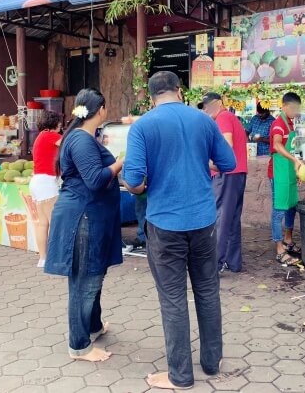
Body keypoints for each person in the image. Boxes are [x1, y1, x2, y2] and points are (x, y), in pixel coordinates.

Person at [123, 71, 236, 390]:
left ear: (151, 96)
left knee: (173, 298)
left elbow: (133, 180)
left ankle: (181, 376)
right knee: (207, 290)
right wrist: (200, 164)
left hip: (164, 223)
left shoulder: (143, 126)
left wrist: (143, 185)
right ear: (179, 90)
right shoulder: (204, 120)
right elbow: (227, 163)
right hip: (202, 220)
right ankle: (212, 364)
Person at [44, 89, 123, 362]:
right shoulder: (80, 140)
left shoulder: (85, 137)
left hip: (92, 216)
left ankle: (94, 326)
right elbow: (96, 179)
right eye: (106, 107)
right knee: (85, 282)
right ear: (100, 109)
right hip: (82, 217)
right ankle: (79, 346)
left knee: (95, 274)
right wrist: (120, 162)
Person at [200, 92, 248, 273]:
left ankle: (215, 265)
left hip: (227, 173)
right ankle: (233, 262)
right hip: (237, 173)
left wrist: (207, 162)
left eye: (208, 105)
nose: (206, 109)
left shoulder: (223, 118)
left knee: (220, 218)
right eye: (204, 107)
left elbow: (226, 147)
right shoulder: (229, 118)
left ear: (219, 103)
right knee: (232, 219)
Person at [268, 92, 304, 266]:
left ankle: (288, 240)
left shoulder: (290, 124)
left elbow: (293, 147)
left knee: (291, 207)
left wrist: (296, 170)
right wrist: (294, 160)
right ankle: (279, 248)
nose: (295, 112)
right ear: (284, 106)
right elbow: (277, 145)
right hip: (278, 174)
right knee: (278, 210)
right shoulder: (278, 124)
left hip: (289, 172)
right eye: (292, 109)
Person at [29, 110, 62, 268]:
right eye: (60, 125)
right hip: (47, 183)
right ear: (55, 124)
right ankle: (56, 258)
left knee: (43, 223)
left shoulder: (40, 136)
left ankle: (43, 258)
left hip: (37, 181)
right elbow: (69, 145)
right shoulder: (50, 135)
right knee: (55, 222)